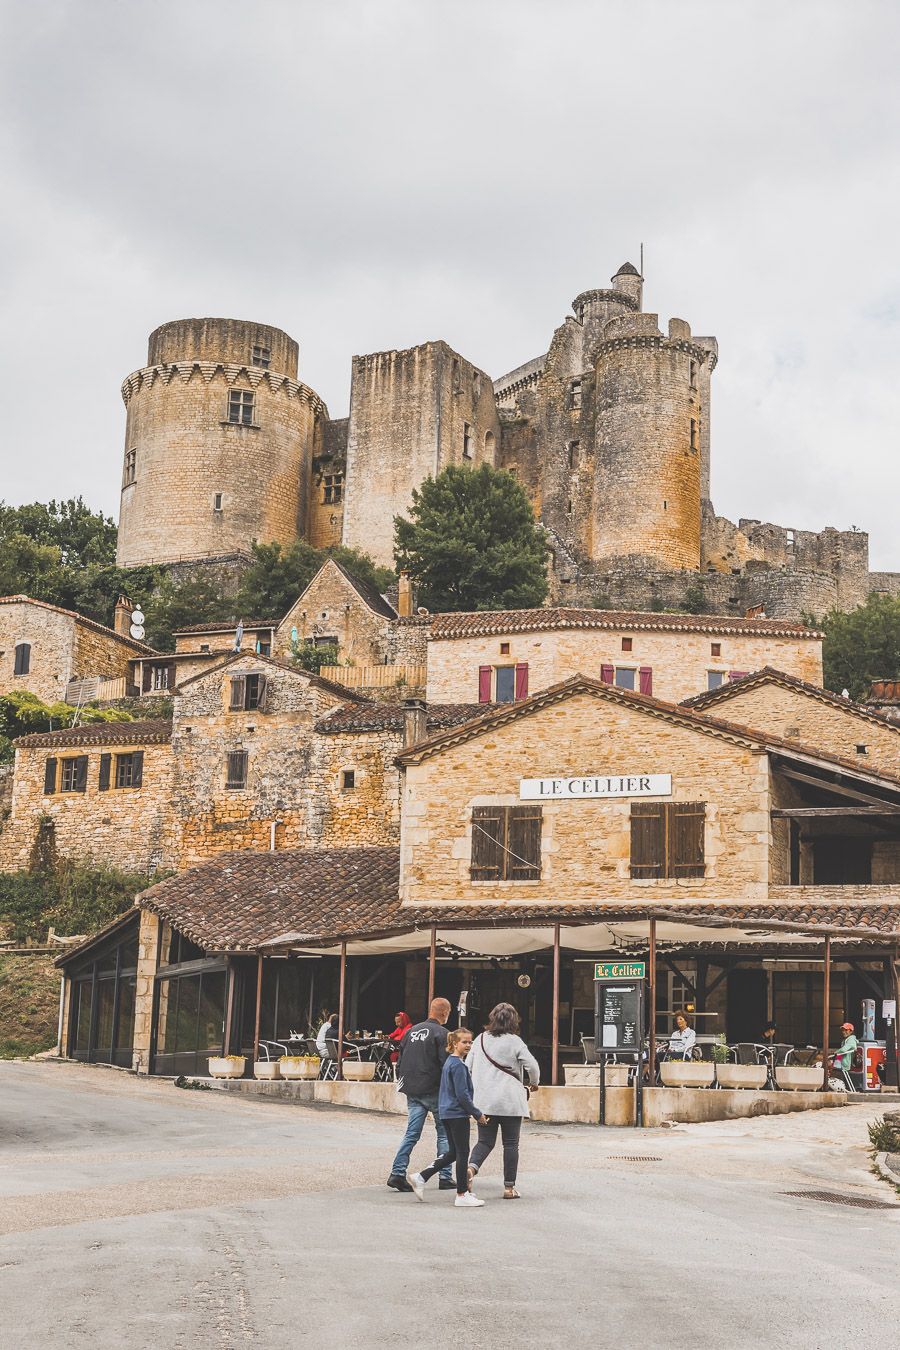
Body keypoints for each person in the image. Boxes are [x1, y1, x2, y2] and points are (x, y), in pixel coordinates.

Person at [466, 1002, 540, 1200]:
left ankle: (471, 1170)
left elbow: (467, 1067)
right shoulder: (515, 1041)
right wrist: (534, 1083)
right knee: (510, 1144)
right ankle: (509, 1188)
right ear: (514, 1021)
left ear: (492, 1018)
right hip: (510, 1102)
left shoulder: (480, 1039)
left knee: (484, 1141)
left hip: (485, 1101)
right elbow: (532, 1066)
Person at [410, 1028, 488, 1207]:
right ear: (454, 1043)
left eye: (470, 1042)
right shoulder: (459, 1066)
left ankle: (421, 1177)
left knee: (453, 1152)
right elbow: (462, 1094)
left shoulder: (449, 1063)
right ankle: (461, 1194)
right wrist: (477, 1114)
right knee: (462, 1153)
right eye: (464, 1042)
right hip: (457, 1113)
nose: (468, 1045)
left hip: (446, 1112)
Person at [387, 997, 453, 1192]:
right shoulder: (443, 1034)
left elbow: (400, 1061)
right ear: (444, 1013)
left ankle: (397, 1173)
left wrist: (404, 1082)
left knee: (411, 1134)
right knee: (444, 1135)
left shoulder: (410, 1031)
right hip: (435, 1091)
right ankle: (445, 1176)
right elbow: (447, 1065)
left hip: (412, 1090)